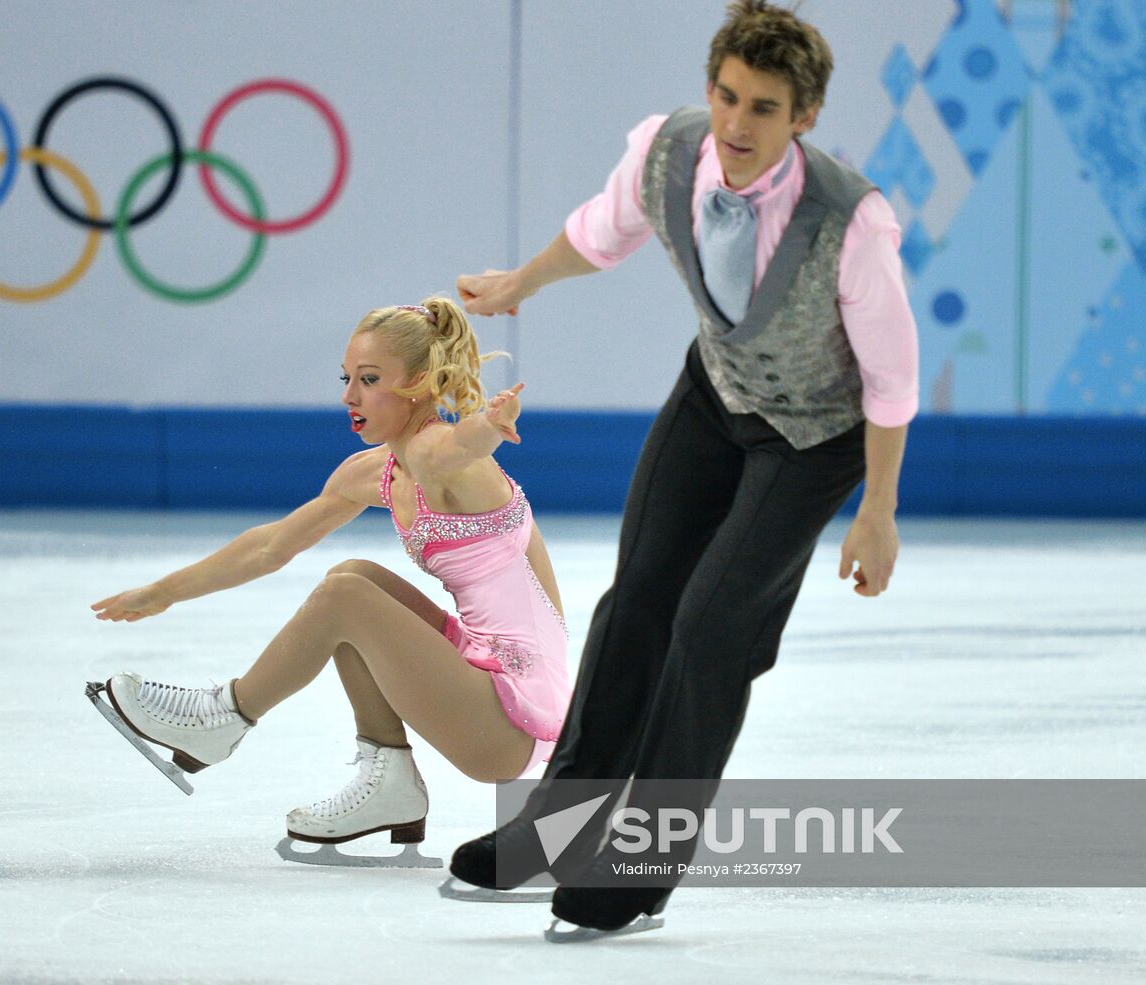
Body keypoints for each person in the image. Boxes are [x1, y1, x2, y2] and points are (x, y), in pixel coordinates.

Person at [449, 0, 918, 937]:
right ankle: (557, 823)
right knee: (638, 601)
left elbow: (891, 378)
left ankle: (641, 860)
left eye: (765, 108)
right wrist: (519, 283)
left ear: (804, 117)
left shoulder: (851, 222)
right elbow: (600, 232)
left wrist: (878, 509)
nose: (737, 124)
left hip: (814, 437)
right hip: (714, 398)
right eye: (727, 96)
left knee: (710, 631)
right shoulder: (668, 150)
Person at [89, 297, 571, 861]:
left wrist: (487, 426)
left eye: (369, 380)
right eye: (348, 379)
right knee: (352, 578)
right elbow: (270, 546)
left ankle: (225, 716)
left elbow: (458, 448)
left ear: (418, 384)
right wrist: (164, 592)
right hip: (480, 678)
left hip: (513, 718)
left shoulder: (436, 452)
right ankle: (389, 781)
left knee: (347, 596)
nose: (349, 397)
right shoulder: (375, 472)